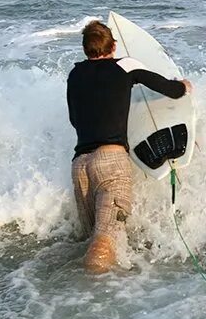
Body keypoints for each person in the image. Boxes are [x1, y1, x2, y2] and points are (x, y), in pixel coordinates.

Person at [68, 18, 190, 273]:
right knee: (103, 245)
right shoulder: (124, 66)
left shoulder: (75, 74)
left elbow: (74, 120)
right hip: (111, 164)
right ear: (113, 46)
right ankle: (90, 299)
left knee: (91, 241)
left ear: (85, 50)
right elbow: (169, 89)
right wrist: (183, 86)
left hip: (80, 166)